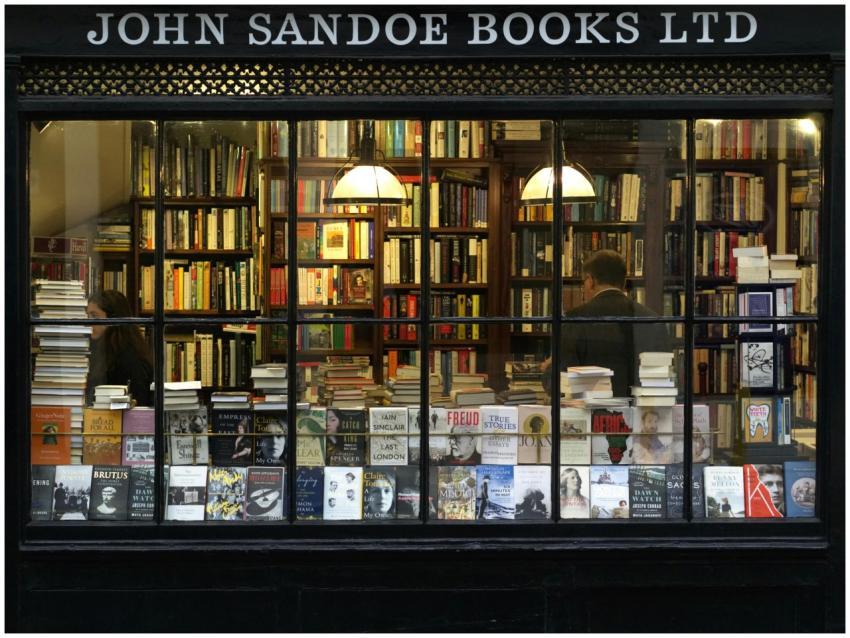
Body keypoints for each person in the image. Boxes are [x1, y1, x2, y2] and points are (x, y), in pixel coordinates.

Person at [543, 250, 671, 397]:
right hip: (642, 413)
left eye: (583, 282)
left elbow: (557, 385)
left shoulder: (575, 318)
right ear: (623, 282)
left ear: (591, 281)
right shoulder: (652, 319)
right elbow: (664, 379)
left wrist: (549, 368)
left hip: (590, 415)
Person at [86, 290, 154, 406]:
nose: (88, 322)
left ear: (112, 318)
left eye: (94, 315)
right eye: (87, 316)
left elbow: (139, 402)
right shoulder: (97, 348)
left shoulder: (129, 358)